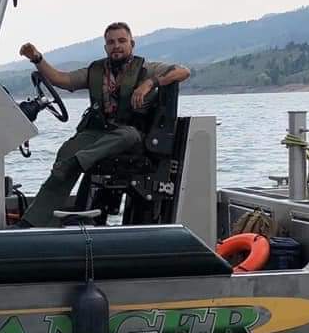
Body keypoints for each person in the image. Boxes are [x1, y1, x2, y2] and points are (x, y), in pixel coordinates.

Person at [16, 22, 190, 227]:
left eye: (122, 41)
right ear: (106, 47)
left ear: (132, 44)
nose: (116, 46)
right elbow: (62, 79)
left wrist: (149, 83)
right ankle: (32, 222)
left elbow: (183, 71)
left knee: (127, 135)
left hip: (132, 136)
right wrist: (37, 58)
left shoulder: (146, 69)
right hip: (100, 132)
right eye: (111, 42)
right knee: (67, 151)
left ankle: (78, 162)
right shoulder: (96, 71)